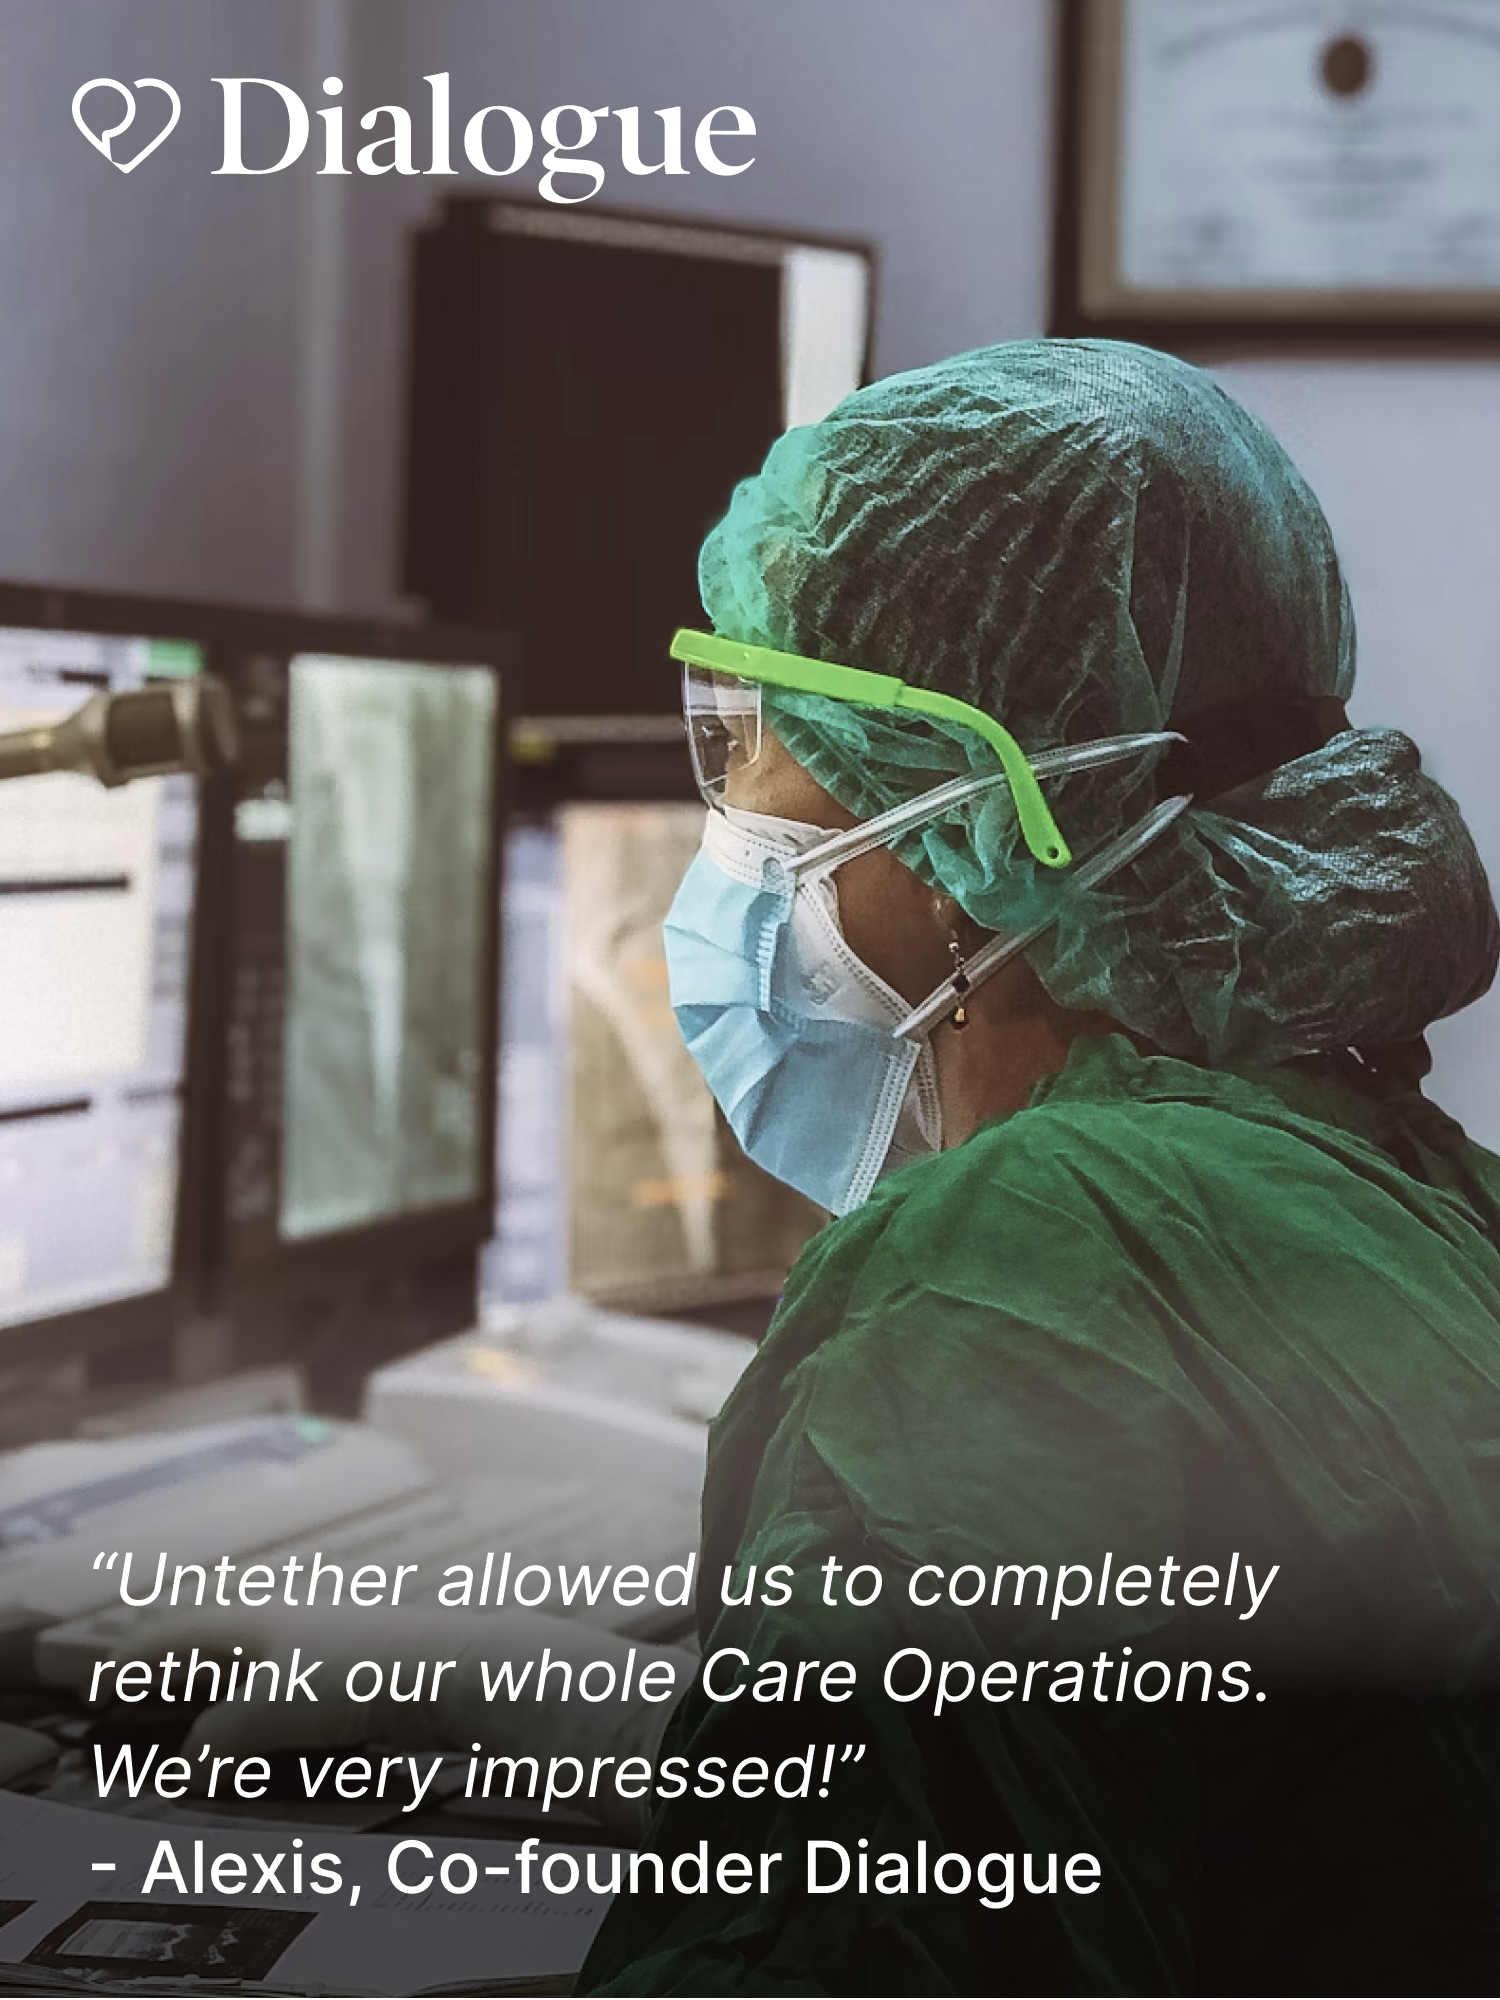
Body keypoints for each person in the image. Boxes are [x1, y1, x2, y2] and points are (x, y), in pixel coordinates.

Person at [573, 340, 1500, 1995]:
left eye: (761, 739)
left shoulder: (1020, 1267)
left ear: (972, 837)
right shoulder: (1398, 1178)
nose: (730, 815)